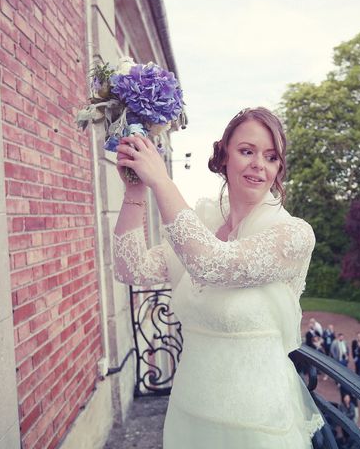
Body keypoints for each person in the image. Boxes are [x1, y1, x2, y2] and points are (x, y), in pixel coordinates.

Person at [112, 107, 325, 447]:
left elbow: (212, 263)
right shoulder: (204, 222)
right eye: (247, 151)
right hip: (189, 410)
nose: (259, 164)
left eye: (271, 157)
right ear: (224, 156)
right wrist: (136, 189)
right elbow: (131, 268)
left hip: (255, 423)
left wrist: (162, 181)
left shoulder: (294, 235)